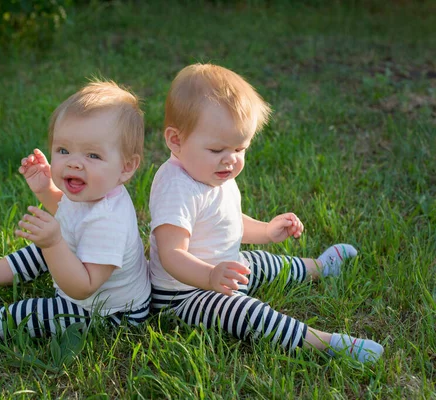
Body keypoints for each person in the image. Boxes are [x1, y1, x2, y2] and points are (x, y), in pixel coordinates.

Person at [148, 63, 383, 363]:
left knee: (259, 261)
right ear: (176, 141)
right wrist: (209, 276)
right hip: (183, 296)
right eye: (217, 149)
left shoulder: (212, 174)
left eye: (240, 148)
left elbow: (226, 223)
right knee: (246, 312)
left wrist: (266, 231)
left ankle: (318, 267)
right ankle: (325, 344)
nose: (230, 160)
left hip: (221, 270)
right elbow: (172, 255)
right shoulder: (176, 188)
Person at [0, 80, 151, 340]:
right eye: (64, 150)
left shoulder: (108, 222)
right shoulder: (95, 189)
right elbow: (70, 215)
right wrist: (46, 188)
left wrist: (54, 244)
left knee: (39, 311)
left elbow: (83, 287)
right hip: (89, 286)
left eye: (93, 156)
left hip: (111, 314)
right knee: (48, 245)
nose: (74, 163)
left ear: (126, 167)